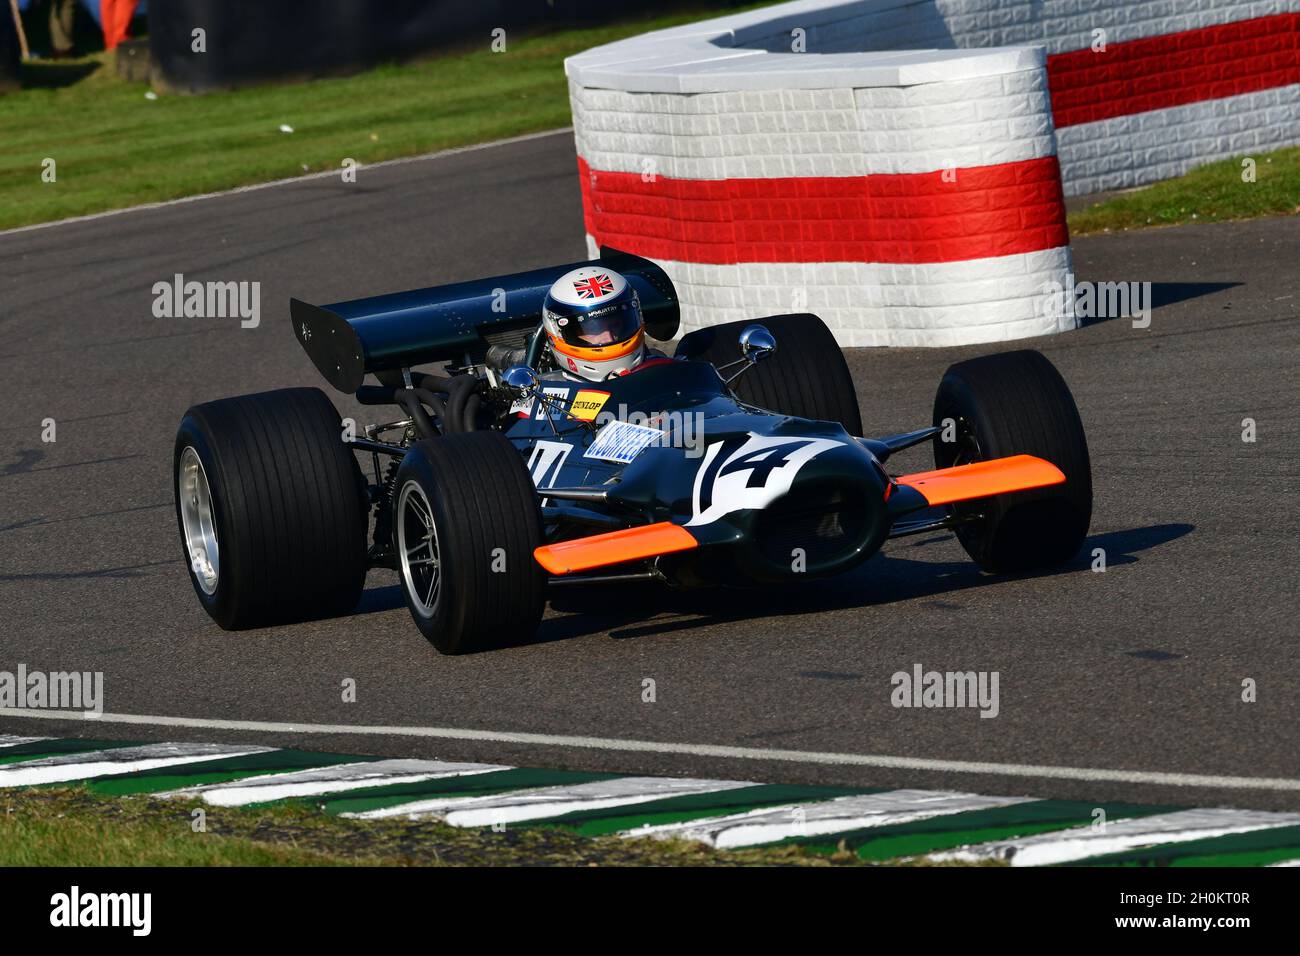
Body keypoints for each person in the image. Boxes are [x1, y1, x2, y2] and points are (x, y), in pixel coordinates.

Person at [540, 268, 651, 381]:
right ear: (558, 333)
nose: (609, 338)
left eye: (616, 325)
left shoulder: (657, 370)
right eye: (593, 329)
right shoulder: (543, 394)